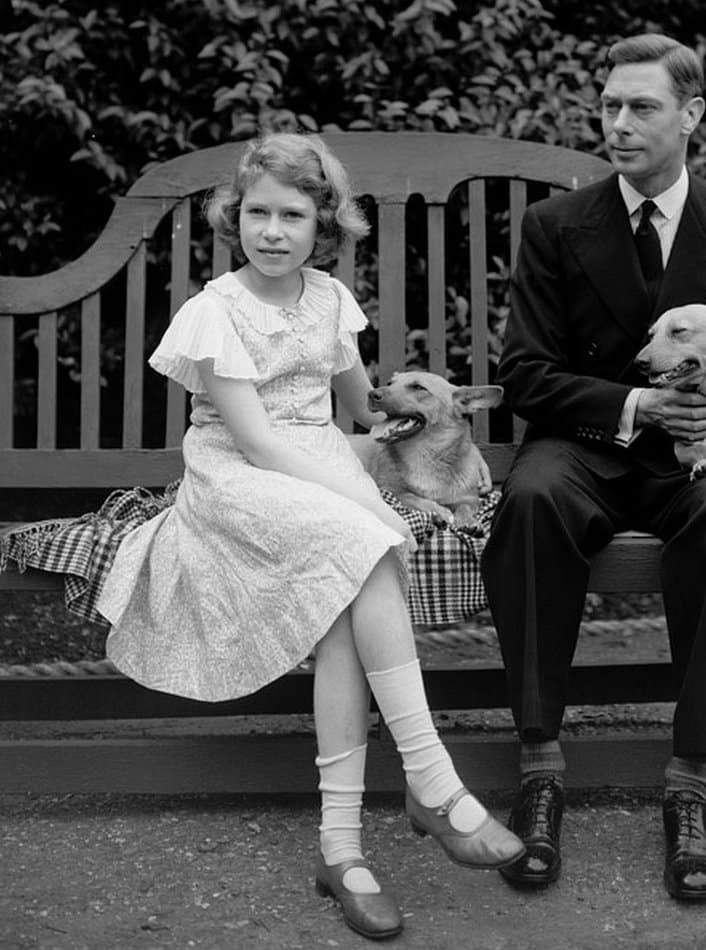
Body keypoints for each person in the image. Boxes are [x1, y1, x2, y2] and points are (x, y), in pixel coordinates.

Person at [97, 132, 524, 940]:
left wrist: (433, 424)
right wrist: (369, 505)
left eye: (292, 214)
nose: (272, 230)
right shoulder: (215, 312)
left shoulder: (329, 299)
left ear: (323, 224)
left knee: (345, 614)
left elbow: (363, 410)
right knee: (363, 543)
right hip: (240, 478)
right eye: (256, 211)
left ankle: (342, 849)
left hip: (322, 467)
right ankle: (434, 785)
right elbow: (258, 443)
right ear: (235, 217)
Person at [481, 33, 706, 901]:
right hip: (587, 446)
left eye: (641, 107)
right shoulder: (555, 227)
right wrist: (634, 405)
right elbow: (525, 373)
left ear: (692, 116)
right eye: (609, 106)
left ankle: (691, 784)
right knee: (528, 501)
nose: (619, 122)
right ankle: (540, 770)